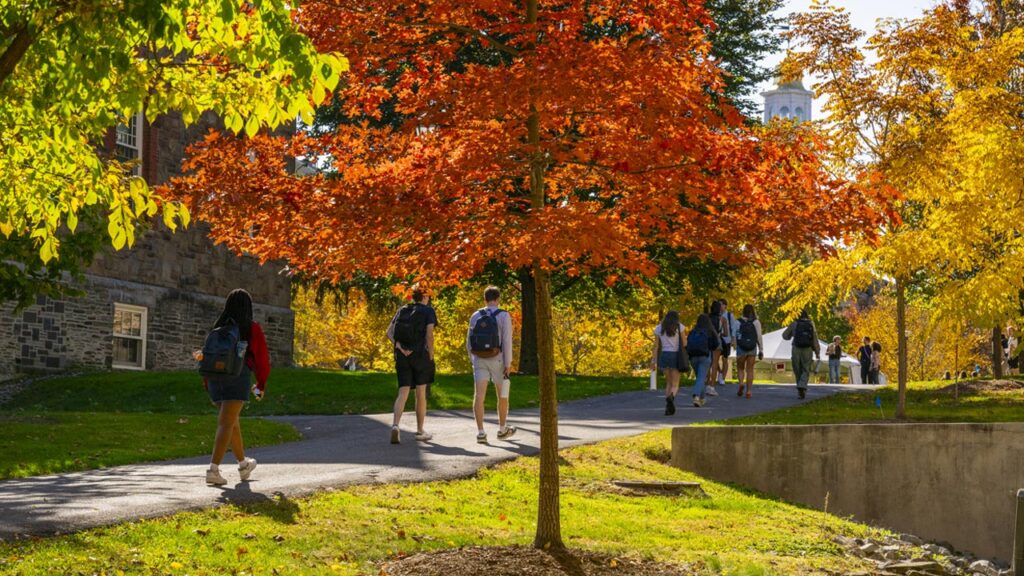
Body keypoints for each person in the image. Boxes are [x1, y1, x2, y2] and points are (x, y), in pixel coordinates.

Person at [202, 289, 270, 486]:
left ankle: (243, 464)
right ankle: (213, 470)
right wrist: (261, 384)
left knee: (231, 422)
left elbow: (208, 356)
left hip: (215, 378)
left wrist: (207, 382)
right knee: (226, 423)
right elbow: (262, 359)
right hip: (237, 376)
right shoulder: (250, 328)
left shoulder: (218, 327)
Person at [386, 288, 437, 444]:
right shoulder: (428, 311)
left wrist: (400, 347)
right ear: (424, 296)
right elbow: (429, 335)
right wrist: (431, 355)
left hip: (402, 355)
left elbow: (389, 332)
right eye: (429, 295)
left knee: (403, 392)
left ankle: (395, 425)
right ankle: (420, 430)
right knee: (421, 393)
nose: (429, 298)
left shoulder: (403, 309)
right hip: (420, 355)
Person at [467, 286, 516, 443]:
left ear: (485, 299)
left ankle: (481, 433)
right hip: (498, 359)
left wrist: (473, 359)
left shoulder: (475, 315)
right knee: (502, 395)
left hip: (479, 359)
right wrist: (508, 363)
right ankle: (502, 429)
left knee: (479, 395)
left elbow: (469, 341)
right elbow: (507, 340)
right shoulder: (503, 315)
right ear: (498, 299)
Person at [651, 311, 686, 415]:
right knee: (675, 384)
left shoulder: (659, 328)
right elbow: (684, 343)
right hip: (675, 355)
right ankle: (671, 398)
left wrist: (653, 360)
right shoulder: (680, 327)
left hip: (664, 355)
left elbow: (656, 346)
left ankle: (668, 407)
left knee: (668, 382)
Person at [782, 309, 820, 399]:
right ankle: (802, 385)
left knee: (797, 368)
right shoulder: (811, 324)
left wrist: (793, 334)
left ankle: (800, 387)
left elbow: (784, 335)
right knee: (806, 368)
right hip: (808, 349)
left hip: (796, 348)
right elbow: (814, 338)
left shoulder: (794, 323)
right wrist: (817, 352)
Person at [686, 313, 719, 407]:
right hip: (705, 357)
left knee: (699, 378)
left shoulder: (693, 331)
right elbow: (715, 344)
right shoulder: (710, 331)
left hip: (693, 358)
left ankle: (702, 398)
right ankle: (696, 396)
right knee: (701, 378)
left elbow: (688, 344)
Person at [733, 304, 763, 399]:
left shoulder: (737, 322)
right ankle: (749, 391)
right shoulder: (756, 322)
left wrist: (735, 346)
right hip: (752, 348)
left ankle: (741, 383)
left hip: (741, 348)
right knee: (750, 370)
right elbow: (759, 337)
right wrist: (761, 349)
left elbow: (734, 336)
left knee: (740, 368)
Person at [706, 300, 728, 396]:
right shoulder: (723, 319)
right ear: (719, 309)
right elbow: (726, 333)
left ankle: (707, 382)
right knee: (715, 363)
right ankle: (712, 386)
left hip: (707, 341)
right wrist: (719, 334)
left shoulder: (706, 318)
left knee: (707, 362)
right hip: (717, 341)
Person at [718, 299, 737, 386]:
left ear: (725, 305)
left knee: (725, 359)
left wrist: (733, 339)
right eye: (719, 305)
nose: (720, 306)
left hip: (727, 340)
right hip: (717, 340)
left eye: (721, 304)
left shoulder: (729, 315)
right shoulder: (716, 315)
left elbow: (733, 328)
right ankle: (719, 372)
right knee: (714, 359)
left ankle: (722, 378)